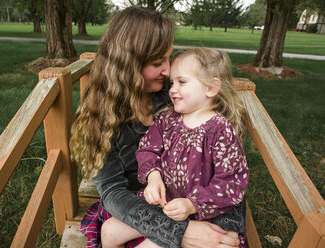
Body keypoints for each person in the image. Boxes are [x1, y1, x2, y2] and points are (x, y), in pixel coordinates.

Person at [70, 6, 241, 248]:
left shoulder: (177, 97)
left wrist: (224, 228)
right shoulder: (99, 118)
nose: (169, 70)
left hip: (191, 202)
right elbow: (113, 193)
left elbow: (224, 169)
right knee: (111, 233)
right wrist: (182, 231)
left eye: (169, 58)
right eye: (158, 62)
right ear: (128, 65)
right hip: (139, 207)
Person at [100, 47, 249, 248]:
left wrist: (191, 204)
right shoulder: (167, 118)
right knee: (108, 231)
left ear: (211, 88)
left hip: (204, 213)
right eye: (172, 83)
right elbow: (148, 149)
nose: (172, 89)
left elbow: (230, 183)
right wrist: (153, 178)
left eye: (182, 82)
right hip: (166, 205)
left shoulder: (220, 131)